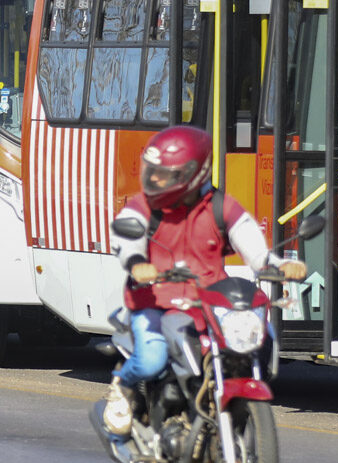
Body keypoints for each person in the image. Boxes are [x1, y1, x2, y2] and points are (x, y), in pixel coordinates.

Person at [104, 125, 281, 436]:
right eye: (153, 171)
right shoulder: (145, 206)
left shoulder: (218, 205)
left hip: (208, 301)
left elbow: (247, 234)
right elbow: (125, 233)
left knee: (259, 336)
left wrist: (270, 262)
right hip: (154, 302)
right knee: (150, 360)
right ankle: (121, 386)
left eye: (166, 174)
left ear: (194, 175)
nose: (155, 180)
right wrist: (135, 263)